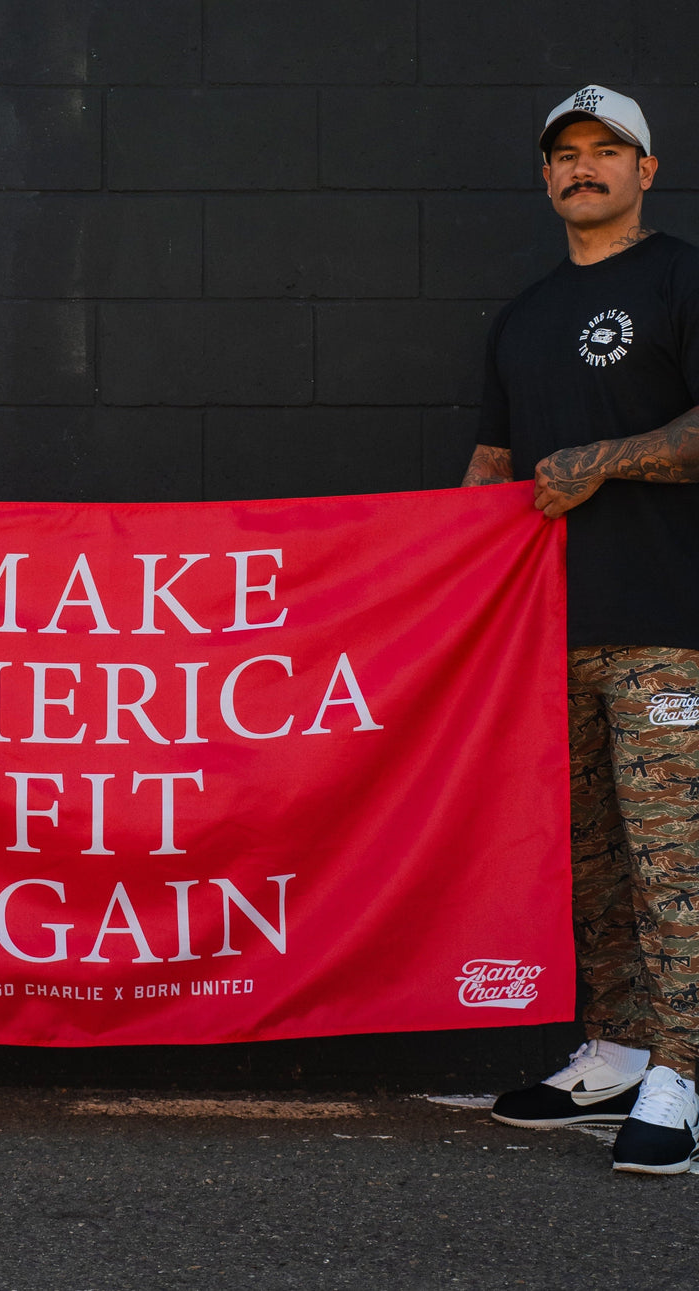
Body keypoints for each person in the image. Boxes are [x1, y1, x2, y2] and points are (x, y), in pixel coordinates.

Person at [463, 86, 699, 1174]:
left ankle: (685, 1077)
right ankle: (613, 1049)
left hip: (668, 625)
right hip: (546, 642)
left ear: (646, 172)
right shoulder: (522, 316)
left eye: (610, 151)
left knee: (676, 860)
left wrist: (601, 463)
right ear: (547, 177)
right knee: (591, 860)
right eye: (566, 153)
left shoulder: (681, 276)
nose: (585, 166)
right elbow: (491, 473)